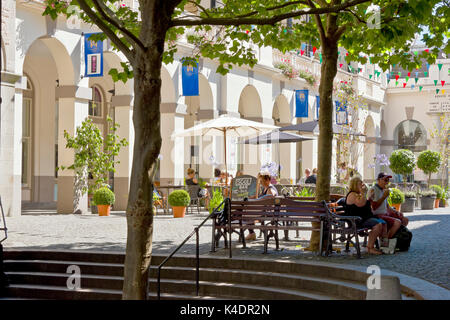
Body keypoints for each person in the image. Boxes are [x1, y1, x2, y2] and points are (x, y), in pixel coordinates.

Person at [345, 177, 388, 255]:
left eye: (362, 182)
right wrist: (363, 193)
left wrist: (370, 197)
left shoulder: (358, 194)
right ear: (355, 185)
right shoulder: (352, 194)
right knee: (378, 225)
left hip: (364, 218)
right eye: (360, 183)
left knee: (383, 223)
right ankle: (370, 248)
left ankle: (384, 247)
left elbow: (365, 204)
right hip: (356, 221)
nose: (362, 184)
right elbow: (361, 204)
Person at [368, 173, 407, 240]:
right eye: (385, 180)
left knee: (404, 219)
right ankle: (386, 241)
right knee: (397, 222)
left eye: (388, 180)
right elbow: (374, 208)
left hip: (385, 213)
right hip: (377, 215)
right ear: (379, 180)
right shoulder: (373, 190)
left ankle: (396, 239)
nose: (387, 182)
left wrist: (396, 211)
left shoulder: (383, 190)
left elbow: (387, 206)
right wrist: (384, 197)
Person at [245, 172, 279, 241]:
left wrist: (262, 199)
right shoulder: (265, 189)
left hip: (268, 213)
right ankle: (251, 233)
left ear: (267, 180)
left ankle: (251, 233)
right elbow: (260, 196)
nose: (261, 183)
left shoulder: (270, 188)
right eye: (260, 181)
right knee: (248, 213)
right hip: (264, 212)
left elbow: (272, 194)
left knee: (247, 214)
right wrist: (251, 197)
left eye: (262, 181)